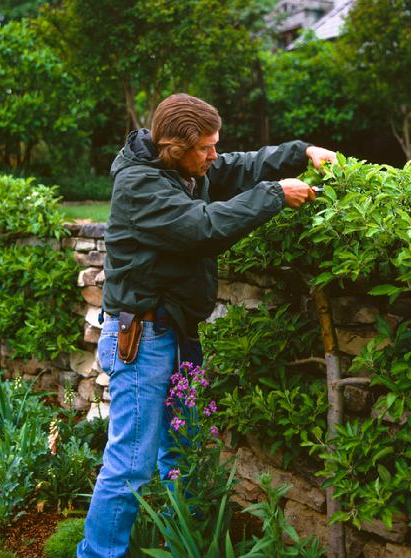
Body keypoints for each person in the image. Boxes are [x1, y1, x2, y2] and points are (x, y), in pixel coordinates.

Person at [76, 93, 336, 558]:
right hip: (143, 339)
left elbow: (236, 166)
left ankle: (182, 546)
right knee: (130, 464)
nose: (214, 156)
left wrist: (302, 152)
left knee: (180, 451)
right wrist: (276, 193)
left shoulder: (180, 167)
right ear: (175, 147)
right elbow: (203, 227)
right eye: (206, 148)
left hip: (174, 334)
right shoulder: (140, 186)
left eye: (215, 146)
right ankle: (96, 554)